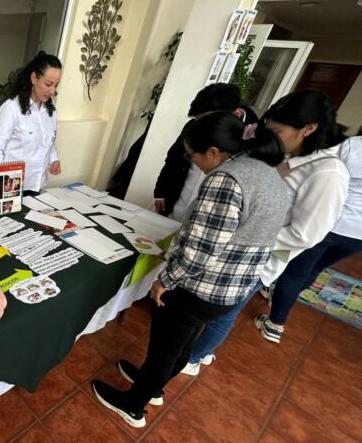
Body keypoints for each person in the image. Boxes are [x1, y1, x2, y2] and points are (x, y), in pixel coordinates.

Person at [93, 112, 290, 428]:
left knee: (164, 350)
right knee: (181, 346)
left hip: (199, 287)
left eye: (192, 155)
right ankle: (152, 386)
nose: (193, 164)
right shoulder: (266, 171)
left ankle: (133, 405)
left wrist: (165, 280)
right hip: (231, 288)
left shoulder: (226, 180)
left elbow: (203, 249)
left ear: (213, 151)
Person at [182, 90, 350, 376]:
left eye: (278, 131)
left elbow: (307, 235)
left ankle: (196, 357)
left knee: (226, 311)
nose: (271, 137)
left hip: (263, 254)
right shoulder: (293, 156)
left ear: (308, 129)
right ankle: (199, 352)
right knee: (220, 306)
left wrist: (244, 238)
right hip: (247, 247)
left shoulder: (328, 174)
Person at [258, 134, 361, 340]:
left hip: (332, 222)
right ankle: (277, 299)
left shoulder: (354, 145)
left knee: (296, 270)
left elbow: (325, 163)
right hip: (358, 235)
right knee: (315, 268)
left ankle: (275, 324)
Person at [153, 84, 258, 221]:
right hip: (179, 199)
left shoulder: (253, 141)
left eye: (209, 120)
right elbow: (174, 158)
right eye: (199, 120)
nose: (202, 126)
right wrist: (161, 192)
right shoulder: (194, 126)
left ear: (236, 114)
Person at [0, 51, 62, 197]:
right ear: (34, 78)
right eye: (48, 84)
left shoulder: (51, 109)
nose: (52, 91)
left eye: (56, 85)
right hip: (11, 188)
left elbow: (49, 141)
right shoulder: (11, 108)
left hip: (37, 184)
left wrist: (54, 160)